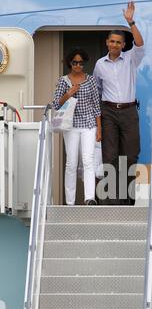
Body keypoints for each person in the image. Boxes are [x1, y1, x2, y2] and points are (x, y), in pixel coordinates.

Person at [93, 1, 145, 205]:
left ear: (123, 45)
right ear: (107, 42)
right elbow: (97, 92)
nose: (114, 45)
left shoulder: (131, 59)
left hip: (129, 111)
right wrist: (97, 122)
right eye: (111, 41)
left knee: (131, 156)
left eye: (118, 42)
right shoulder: (99, 64)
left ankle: (127, 200)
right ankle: (110, 202)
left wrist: (131, 22)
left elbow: (140, 44)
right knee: (110, 156)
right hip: (108, 113)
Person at [53, 48, 102, 206]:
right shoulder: (63, 81)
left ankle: (89, 198)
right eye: (75, 62)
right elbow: (56, 104)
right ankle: (70, 202)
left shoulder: (91, 80)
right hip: (70, 126)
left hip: (89, 125)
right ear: (70, 63)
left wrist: (99, 129)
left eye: (81, 63)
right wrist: (69, 93)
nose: (78, 65)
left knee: (88, 161)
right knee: (71, 163)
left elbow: (96, 106)